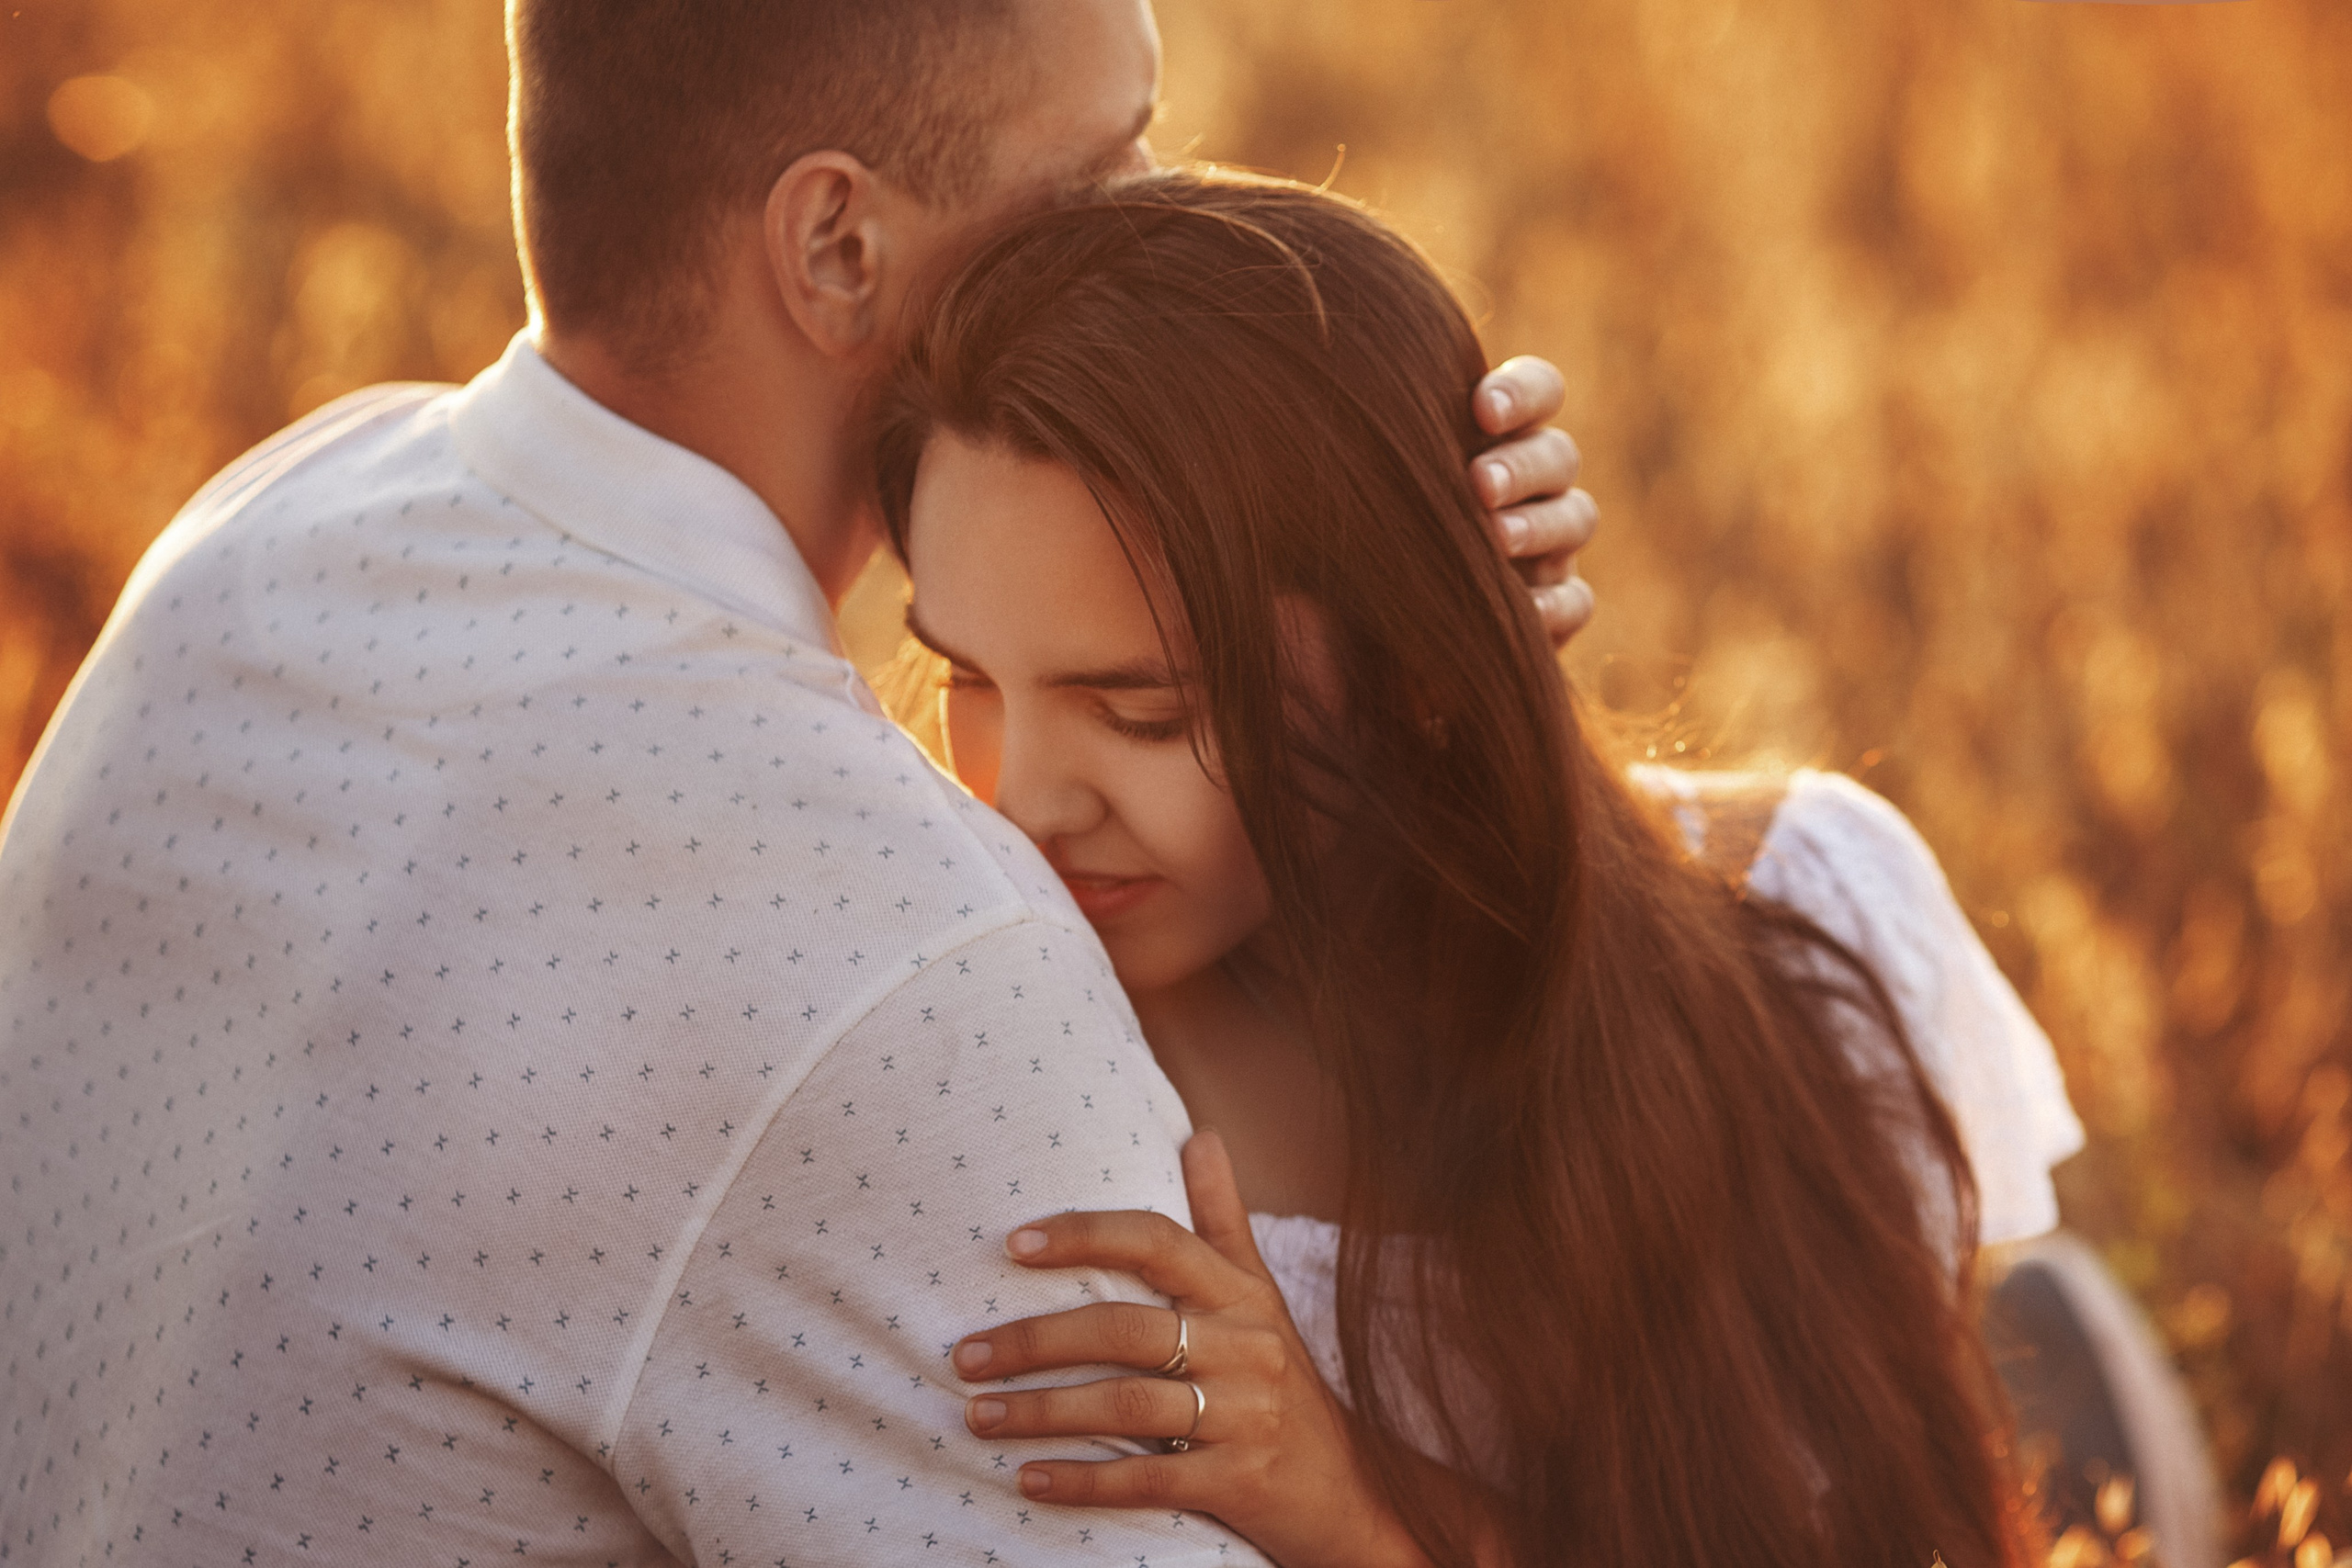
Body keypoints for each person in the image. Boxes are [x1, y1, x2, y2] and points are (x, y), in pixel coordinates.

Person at [0, 5, 1592, 1565]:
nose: (1162, 213)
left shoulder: (261, 530)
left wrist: (1391, 650)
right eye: (1108, 163)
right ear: (838, 244)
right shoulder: (909, 963)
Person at [875, 168, 2097, 1567]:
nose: (1017, 798)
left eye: (1142, 710)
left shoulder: (1803, 905)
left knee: (2051, 1414)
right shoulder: (1028, 1085)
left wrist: (1356, 1497)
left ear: (1408, 663)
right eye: (964, 674)